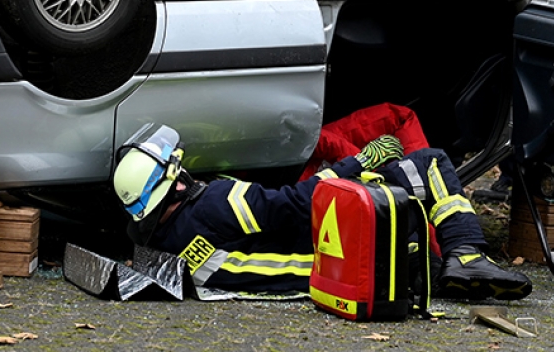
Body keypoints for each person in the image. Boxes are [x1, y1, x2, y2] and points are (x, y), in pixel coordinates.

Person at [112, 123, 532, 299]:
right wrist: (359, 162)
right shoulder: (215, 204)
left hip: (337, 276)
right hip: (356, 256)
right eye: (177, 170)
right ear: (174, 185)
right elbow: (298, 204)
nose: (185, 172)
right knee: (425, 163)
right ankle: (468, 254)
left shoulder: (170, 246)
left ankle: (447, 270)